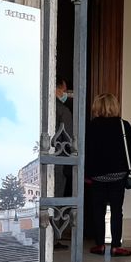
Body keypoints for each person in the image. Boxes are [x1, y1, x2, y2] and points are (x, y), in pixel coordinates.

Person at [85, 93, 131, 257]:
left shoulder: (92, 126)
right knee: (117, 210)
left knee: (98, 210)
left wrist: (87, 174)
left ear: (97, 107)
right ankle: (116, 246)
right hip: (118, 175)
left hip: (97, 175)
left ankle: (100, 244)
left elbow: (86, 152)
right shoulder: (123, 125)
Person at [54, 76, 73, 250]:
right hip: (58, 162)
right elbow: (68, 139)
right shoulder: (63, 111)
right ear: (57, 88)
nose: (65, 93)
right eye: (64, 90)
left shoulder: (40, 108)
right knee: (57, 198)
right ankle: (54, 238)